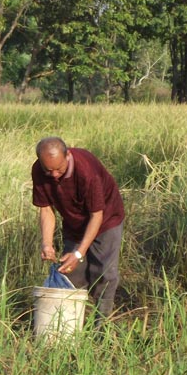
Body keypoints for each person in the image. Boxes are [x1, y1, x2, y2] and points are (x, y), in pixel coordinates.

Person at [31, 136, 125, 323]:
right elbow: (46, 208)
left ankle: (102, 327)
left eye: (59, 169)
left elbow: (96, 216)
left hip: (106, 220)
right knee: (69, 273)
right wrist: (47, 243)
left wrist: (79, 253)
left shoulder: (87, 173)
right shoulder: (39, 171)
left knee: (104, 273)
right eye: (49, 170)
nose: (55, 175)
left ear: (67, 155)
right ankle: (69, 326)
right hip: (74, 221)